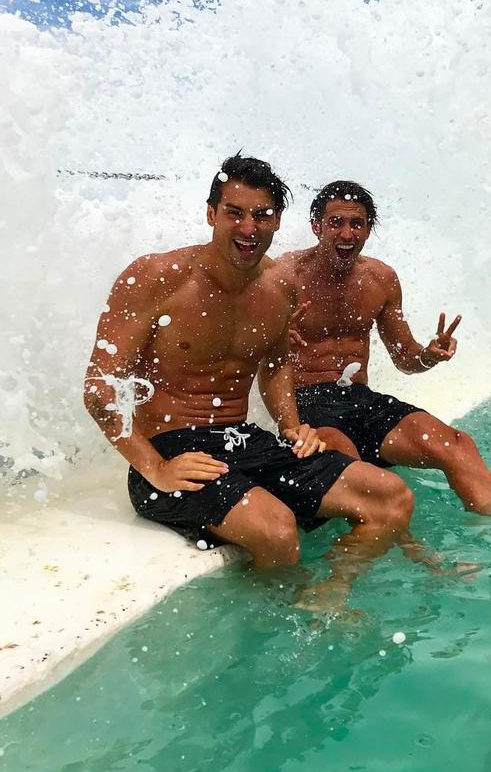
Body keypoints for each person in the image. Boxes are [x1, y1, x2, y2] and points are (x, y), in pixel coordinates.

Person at [83, 155, 416, 611]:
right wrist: (155, 468)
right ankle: (270, 625)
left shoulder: (280, 284)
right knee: (277, 528)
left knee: (391, 499)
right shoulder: (156, 277)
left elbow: (276, 362)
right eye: (234, 212)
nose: (248, 228)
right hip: (171, 448)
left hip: (242, 440)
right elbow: (100, 387)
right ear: (210, 213)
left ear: (278, 221)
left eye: (262, 215)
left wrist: (293, 425)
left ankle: (329, 593)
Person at [277, 180, 491, 539]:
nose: (347, 233)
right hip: (308, 404)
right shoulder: (285, 276)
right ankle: (423, 560)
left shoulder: (380, 278)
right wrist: (277, 340)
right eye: (336, 222)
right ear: (316, 225)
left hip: (360, 400)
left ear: (369, 230)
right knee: (353, 466)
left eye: (357, 224)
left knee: (456, 443)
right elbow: (246, 350)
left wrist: (429, 356)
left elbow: (404, 358)